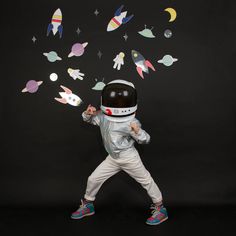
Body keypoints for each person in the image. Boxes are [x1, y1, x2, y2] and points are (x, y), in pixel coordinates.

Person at [71, 80, 168, 225]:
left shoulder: (131, 122)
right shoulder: (103, 116)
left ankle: (161, 209)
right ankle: (88, 205)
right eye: (116, 102)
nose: (118, 106)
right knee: (93, 179)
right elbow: (90, 120)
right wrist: (87, 113)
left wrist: (138, 131)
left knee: (146, 181)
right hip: (113, 158)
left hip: (129, 157)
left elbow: (146, 139)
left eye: (122, 103)